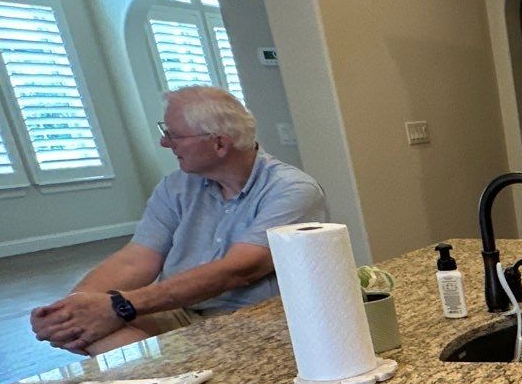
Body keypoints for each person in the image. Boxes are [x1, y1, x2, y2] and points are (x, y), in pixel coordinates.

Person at [30, 86, 327, 356]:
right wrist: (71, 309)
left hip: (254, 319)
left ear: (219, 144)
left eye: (174, 135)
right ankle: (177, 378)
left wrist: (120, 305)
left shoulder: (291, 189)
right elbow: (137, 259)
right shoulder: (176, 187)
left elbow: (237, 271)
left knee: (102, 333)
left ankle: (178, 377)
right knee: (82, 331)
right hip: (182, 310)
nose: (164, 142)